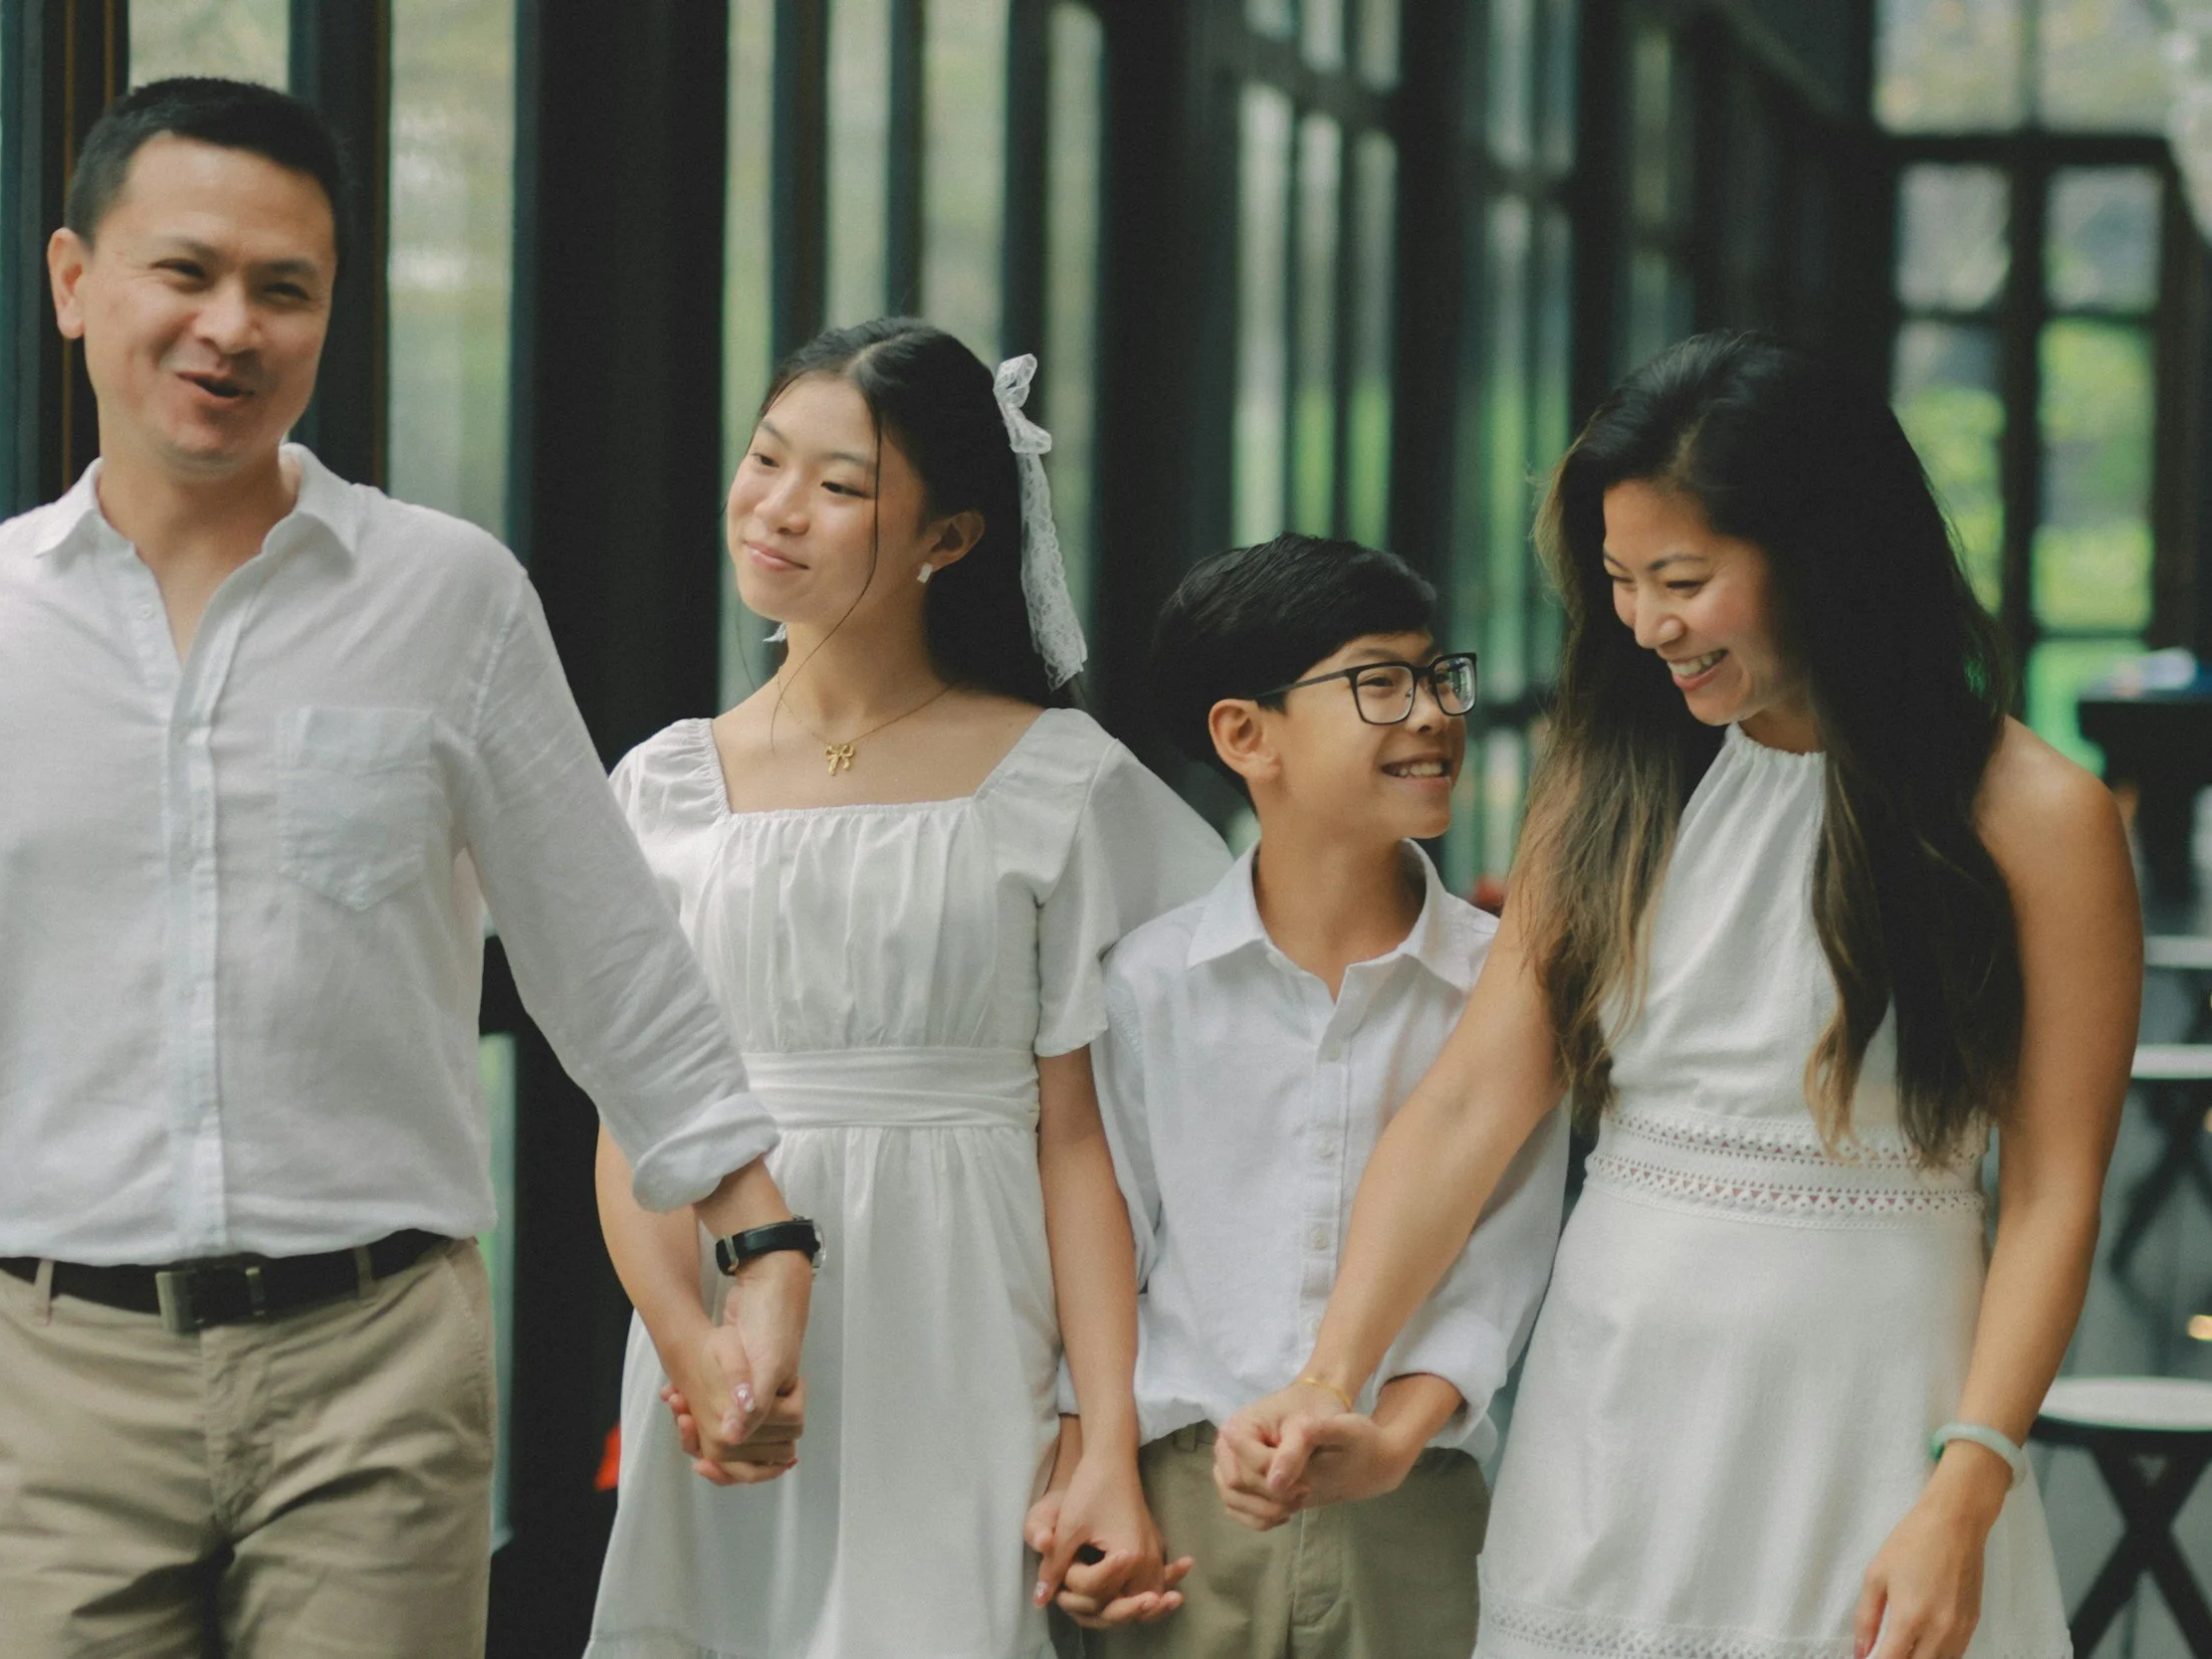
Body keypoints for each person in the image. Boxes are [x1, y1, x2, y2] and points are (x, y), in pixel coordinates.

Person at [0, 78, 810, 1659]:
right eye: (184, 272)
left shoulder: (449, 598)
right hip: (62, 1377)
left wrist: (764, 1238)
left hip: (378, 1368)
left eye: (286, 290)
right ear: (74, 281)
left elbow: (609, 958)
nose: (232, 327)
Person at [1219, 332, 2141, 1659]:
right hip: (1617, 1403)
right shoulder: (1609, 779)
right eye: (1618, 580)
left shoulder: (2034, 813)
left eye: (1684, 579)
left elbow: (2057, 1189)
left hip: (1878, 1411)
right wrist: (1333, 1374)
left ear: (1824, 555)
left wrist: (1970, 1481)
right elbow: (1474, 1098)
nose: (1645, 623)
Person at [585, 318, 1232, 1659]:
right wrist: (690, 1349)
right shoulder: (660, 785)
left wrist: (1102, 1425)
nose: (776, 508)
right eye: (767, 459)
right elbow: (636, 1114)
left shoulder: (1055, 780)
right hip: (723, 1323)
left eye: (839, 485)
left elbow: (1082, 1136)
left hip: (964, 1315)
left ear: (949, 536)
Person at [1037, 533, 1564, 1658]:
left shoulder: (1503, 986)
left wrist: (1388, 1434)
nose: (1431, 713)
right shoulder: (1145, 987)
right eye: (1379, 681)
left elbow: (1498, 1274)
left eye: (1437, 675)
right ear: (1244, 733)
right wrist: (1094, 1468)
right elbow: (1104, 1263)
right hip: (1180, 1504)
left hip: (1417, 1501)